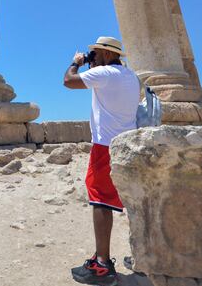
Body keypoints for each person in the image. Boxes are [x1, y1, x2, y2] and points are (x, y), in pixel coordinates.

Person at [63, 36, 140, 285]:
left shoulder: (105, 73)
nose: (91, 58)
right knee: (128, 201)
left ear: (107, 55)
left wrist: (76, 62)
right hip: (128, 144)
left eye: (94, 54)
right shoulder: (130, 76)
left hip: (105, 146)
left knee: (100, 201)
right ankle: (142, 253)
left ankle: (102, 265)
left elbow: (68, 81)